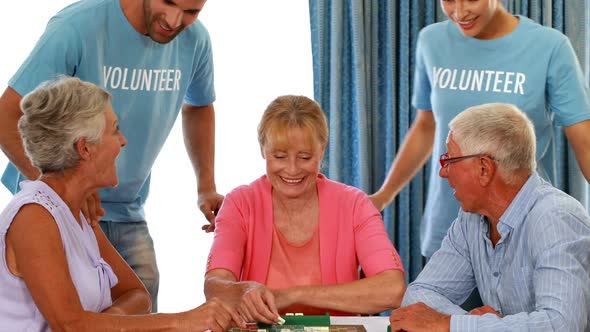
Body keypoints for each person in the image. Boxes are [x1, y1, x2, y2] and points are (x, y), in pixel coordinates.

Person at [0, 0, 223, 310]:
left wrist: (206, 186)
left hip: (127, 210)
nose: (175, 20)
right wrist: (63, 191)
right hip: (57, 208)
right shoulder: (77, 26)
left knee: (138, 308)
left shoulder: (195, 41)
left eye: (191, 11)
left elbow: (199, 105)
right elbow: (5, 115)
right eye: (169, 2)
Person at [0, 77, 242, 332]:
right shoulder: (34, 217)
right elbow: (70, 325)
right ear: (85, 148)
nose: (123, 140)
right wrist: (182, 320)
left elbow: (138, 295)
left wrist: (107, 322)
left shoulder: (77, 212)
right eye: (114, 129)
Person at [369, 0, 590, 260]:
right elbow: (426, 127)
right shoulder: (431, 41)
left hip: (525, 232)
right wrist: (383, 196)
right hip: (448, 230)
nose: (460, 13)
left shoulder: (550, 47)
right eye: (449, 0)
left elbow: (584, 142)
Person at [204, 95, 406, 324]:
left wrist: (292, 295)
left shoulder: (355, 204)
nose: (292, 169)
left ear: (322, 149)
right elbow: (214, 286)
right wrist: (242, 290)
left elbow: (393, 288)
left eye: (304, 157)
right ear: (262, 149)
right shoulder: (239, 203)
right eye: (279, 156)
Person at [389, 103, 590, 332]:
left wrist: (452, 324)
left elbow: (563, 324)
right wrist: (480, 326)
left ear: (484, 168)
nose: (442, 172)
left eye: (449, 160)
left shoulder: (555, 217)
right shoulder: (471, 220)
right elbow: (418, 295)